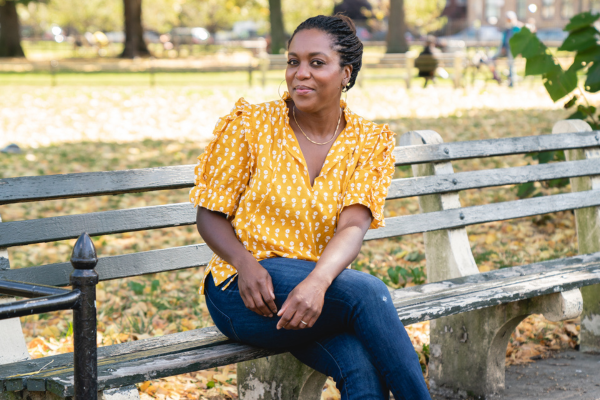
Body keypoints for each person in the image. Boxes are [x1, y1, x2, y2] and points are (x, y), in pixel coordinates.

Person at [190, 14, 431, 400]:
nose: (300, 73)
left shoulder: (370, 141)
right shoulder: (251, 125)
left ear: (346, 74)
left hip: (319, 295)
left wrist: (317, 284)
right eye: (292, 61)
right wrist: (245, 263)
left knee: (362, 370)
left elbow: (353, 226)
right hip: (248, 293)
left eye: (316, 63)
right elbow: (209, 213)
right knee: (368, 293)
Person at [488, 11, 522, 86]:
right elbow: (504, 39)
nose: (508, 21)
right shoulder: (507, 29)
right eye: (507, 19)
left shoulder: (518, 28)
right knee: (491, 58)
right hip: (505, 48)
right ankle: (497, 76)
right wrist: (503, 46)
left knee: (510, 63)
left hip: (513, 49)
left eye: (510, 19)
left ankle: (511, 82)